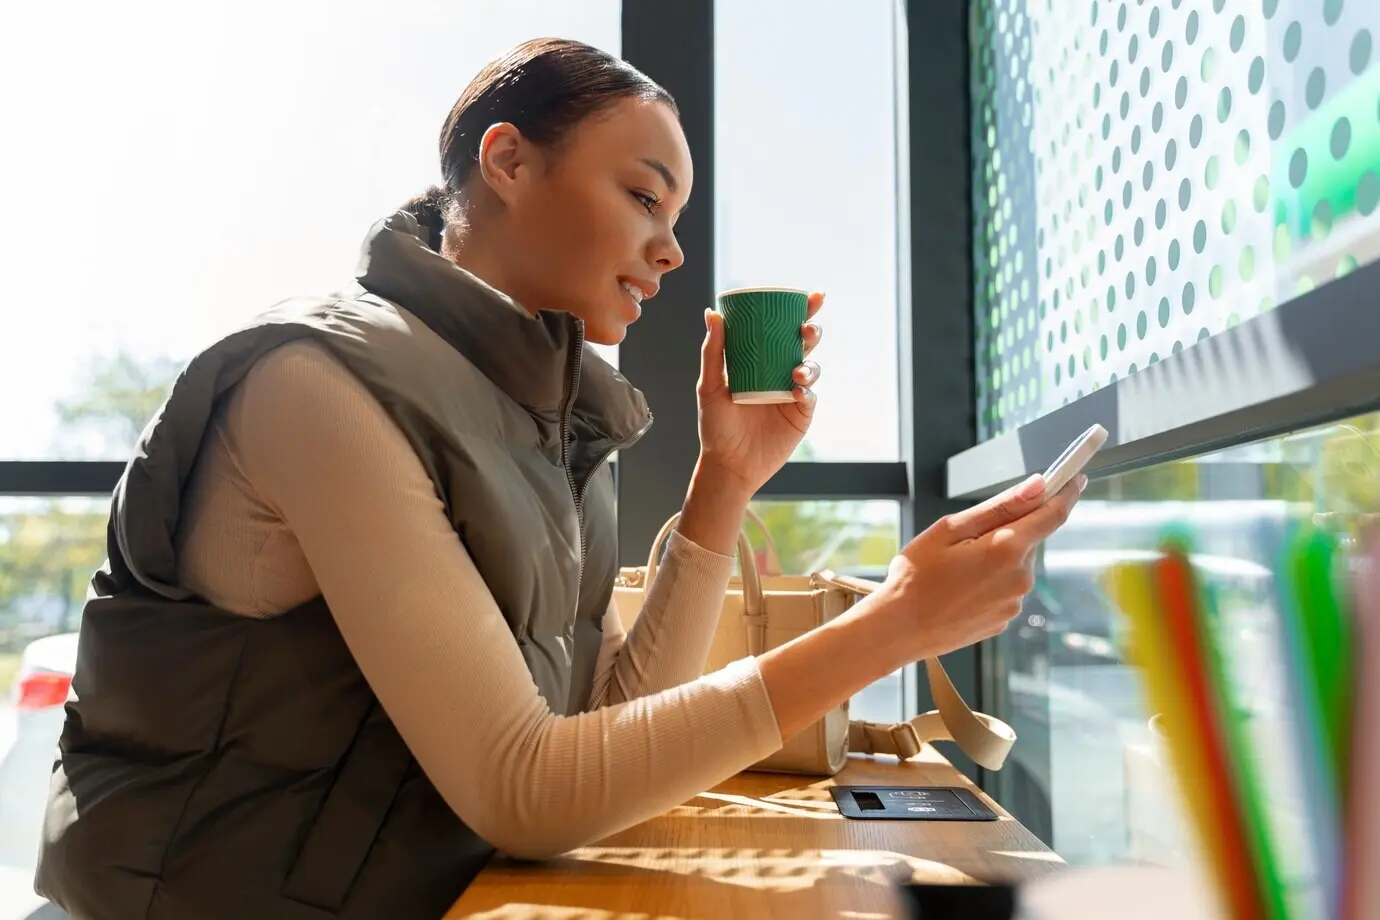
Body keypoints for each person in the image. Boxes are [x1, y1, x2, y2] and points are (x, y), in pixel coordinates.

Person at [34, 37, 1083, 920]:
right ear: (508, 160)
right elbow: (526, 788)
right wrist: (889, 626)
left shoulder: (551, 411)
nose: (670, 251)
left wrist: (724, 480)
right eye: (643, 195)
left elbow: (606, 715)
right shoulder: (311, 384)